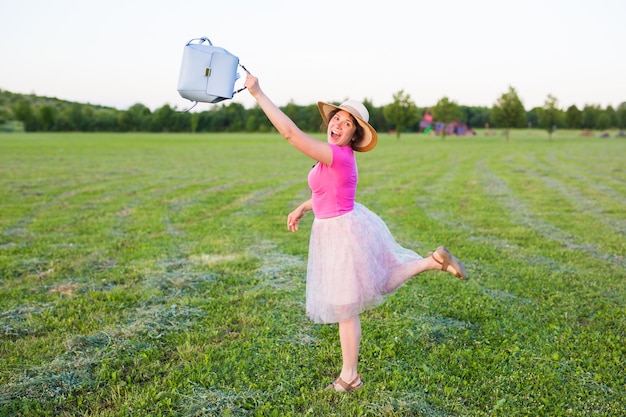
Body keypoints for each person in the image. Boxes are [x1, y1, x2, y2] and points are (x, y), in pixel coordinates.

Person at [244, 73, 467, 392]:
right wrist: (303, 207)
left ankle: (350, 377)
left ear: (353, 135)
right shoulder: (332, 158)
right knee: (374, 285)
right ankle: (432, 261)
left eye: (347, 123)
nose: (338, 124)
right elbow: (325, 192)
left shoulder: (338, 156)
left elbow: (291, 134)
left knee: (347, 307)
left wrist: (258, 93)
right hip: (340, 227)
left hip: (342, 234)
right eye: (336, 118)